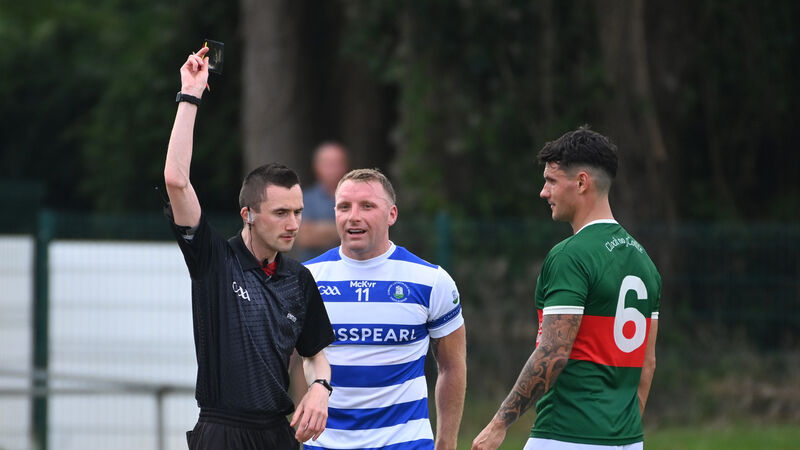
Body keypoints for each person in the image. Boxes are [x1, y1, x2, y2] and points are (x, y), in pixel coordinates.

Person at [164, 46, 336, 449]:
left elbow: (314, 354)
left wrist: (321, 388)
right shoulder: (213, 260)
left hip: (279, 434)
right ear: (249, 214)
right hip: (221, 432)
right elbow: (176, 179)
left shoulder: (298, 278)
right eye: (281, 212)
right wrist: (190, 94)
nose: (294, 223)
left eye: (297, 211)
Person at [472, 127, 661, 450]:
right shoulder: (644, 261)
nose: (543, 192)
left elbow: (553, 352)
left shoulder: (570, 256)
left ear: (582, 182)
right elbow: (647, 363)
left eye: (551, 181)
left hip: (564, 434)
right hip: (628, 440)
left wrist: (498, 424)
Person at [303, 168, 467, 449]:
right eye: (344, 207)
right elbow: (286, 358)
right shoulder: (307, 280)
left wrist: (446, 443)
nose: (354, 216)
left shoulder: (430, 281)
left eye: (367, 206)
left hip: (405, 442)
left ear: (392, 214)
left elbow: (452, 366)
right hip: (325, 443)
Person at [295, 141, 349, 261]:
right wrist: (346, 229)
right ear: (316, 167)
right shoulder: (305, 199)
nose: (333, 169)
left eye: (337, 163)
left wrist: (319, 230)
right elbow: (303, 237)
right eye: (328, 164)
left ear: (346, 166)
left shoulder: (356, 198)